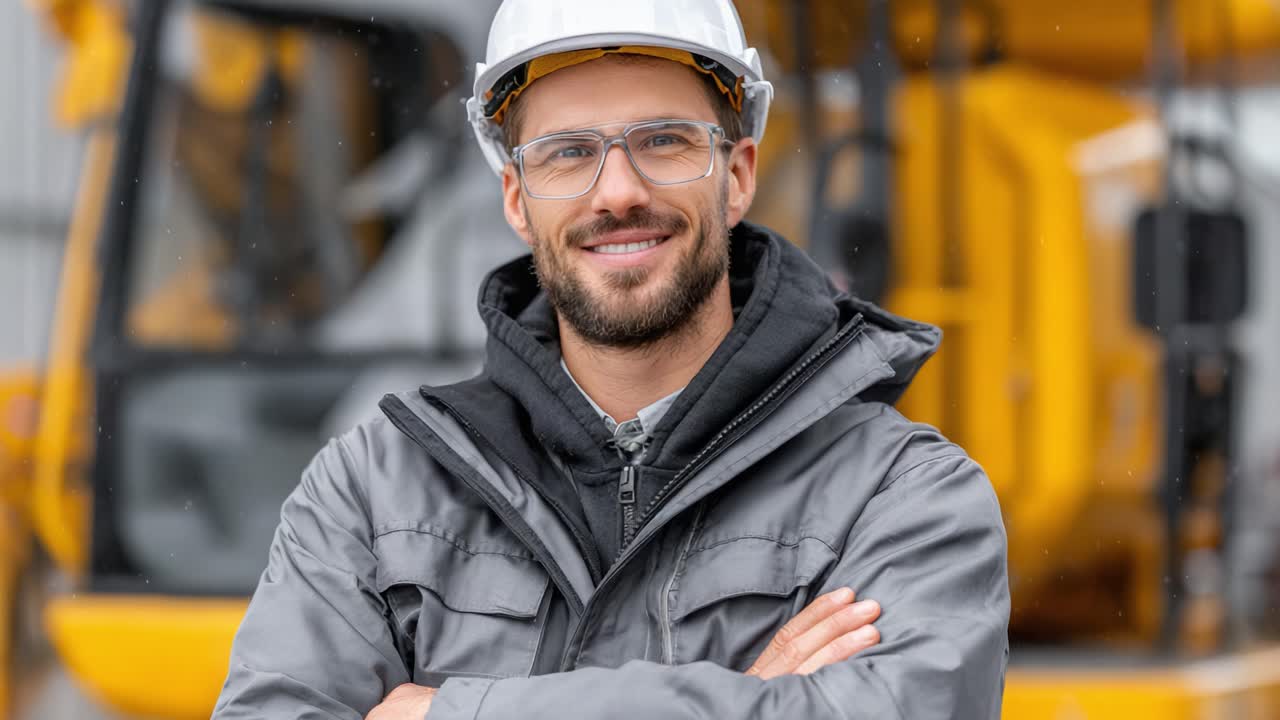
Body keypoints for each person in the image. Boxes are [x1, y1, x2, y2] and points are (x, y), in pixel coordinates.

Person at [212, 1, 1010, 718]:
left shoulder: (903, 497)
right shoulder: (371, 490)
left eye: (663, 142)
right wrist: (753, 704)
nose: (617, 191)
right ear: (518, 200)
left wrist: (453, 713)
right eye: (568, 153)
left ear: (737, 177)